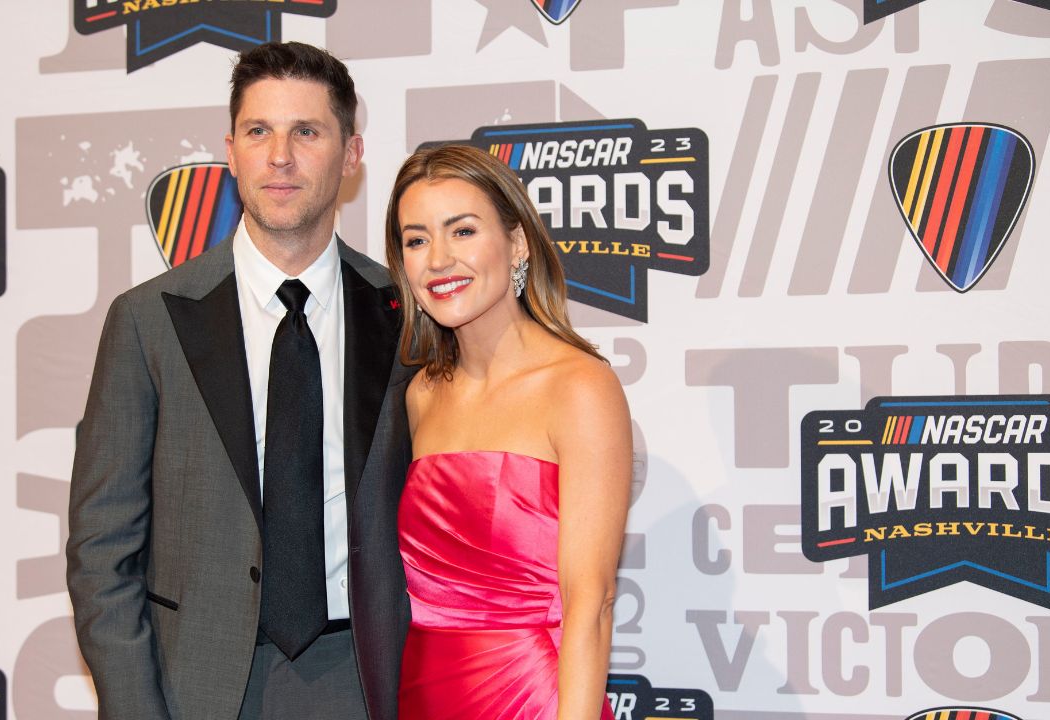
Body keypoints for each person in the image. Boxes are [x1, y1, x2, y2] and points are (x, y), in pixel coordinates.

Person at [67, 42, 412, 720]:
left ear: (351, 154)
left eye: (306, 132)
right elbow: (102, 549)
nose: (279, 156)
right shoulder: (148, 321)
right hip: (195, 685)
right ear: (231, 151)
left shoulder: (406, 317)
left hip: (366, 682)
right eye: (259, 131)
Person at [385, 144, 631, 719]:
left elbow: (592, 604)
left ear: (517, 242)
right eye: (417, 240)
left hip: (533, 697)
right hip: (424, 695)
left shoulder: (579, 387)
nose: (438, 259)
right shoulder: (421, 395)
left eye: (463, 231)